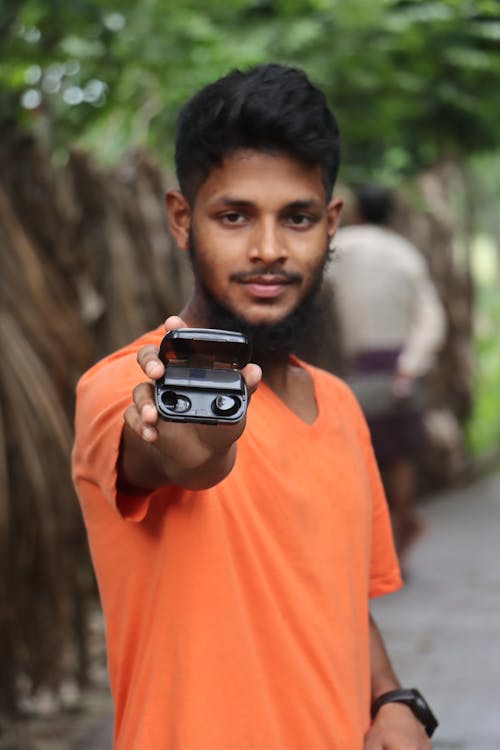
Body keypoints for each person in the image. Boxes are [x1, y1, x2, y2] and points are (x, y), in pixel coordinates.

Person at [72, 64, 438, 749]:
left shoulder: (339, 407)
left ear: (330, 225)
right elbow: (176, 455)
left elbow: (333, 599)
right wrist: (198, 442)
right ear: (183, 220)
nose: (268, 250)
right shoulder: (121, 385)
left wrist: (392, 698)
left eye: (296, 217)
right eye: (234, 216)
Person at [329, 185, 446, 563]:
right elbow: (432, 318)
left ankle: (371, 546)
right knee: (400, 459)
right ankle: (399, 534)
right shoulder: (405, 254)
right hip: (400, 370)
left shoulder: (339, 247)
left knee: (359, 457)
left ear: (358, 211)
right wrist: (410, 365)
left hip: (356, 372)